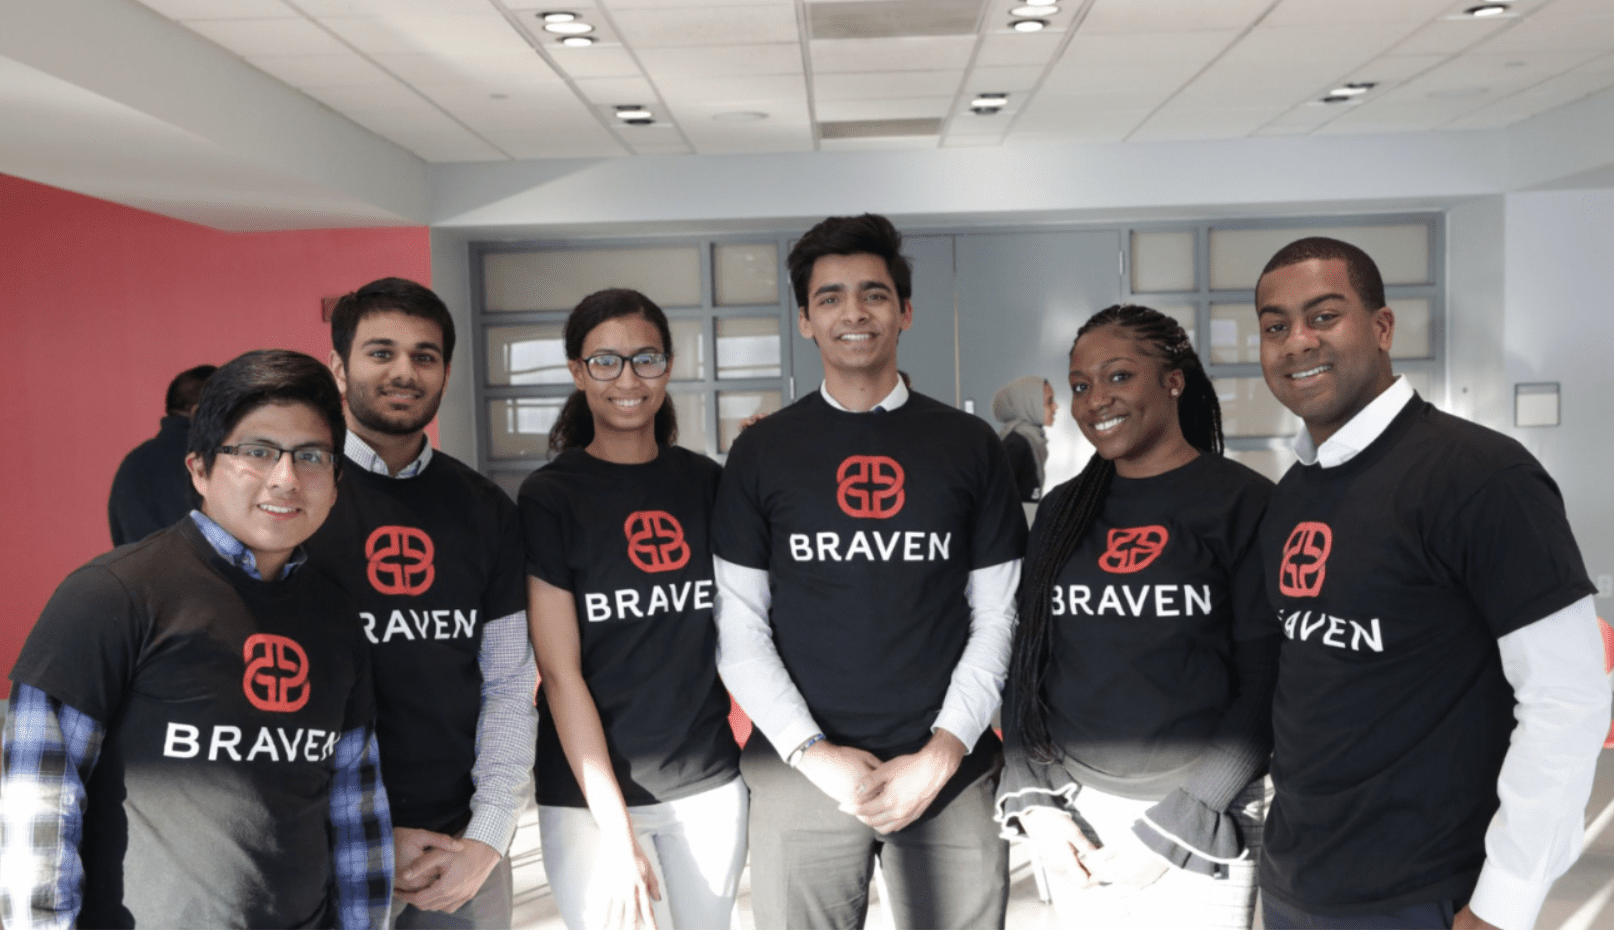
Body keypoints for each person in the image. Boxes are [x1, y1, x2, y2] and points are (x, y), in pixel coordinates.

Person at [1252, 237, 1611, 930]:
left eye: (1323, 316)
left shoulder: (1480, 477)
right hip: (1301, 881)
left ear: (1382, 328)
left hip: (1429, 893)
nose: (1297, 341)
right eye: (1275, 326)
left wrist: (1504, 903)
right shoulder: (1295, 491)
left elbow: (1568, 697)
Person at [0, 349, 392, 929]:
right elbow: (37, 803)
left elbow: (356, 807)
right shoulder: (112, 595)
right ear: (200, 469)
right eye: (256, 452)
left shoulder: (336, 618)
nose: (286, 477)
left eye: (311, 456)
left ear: (335, 483)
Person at [712, 213, 1027, 929]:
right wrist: (811, 752)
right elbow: (738, 624)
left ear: (905, 311)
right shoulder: (763, 454)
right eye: (830, 298)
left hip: (949, 764)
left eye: (874, 294)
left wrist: (944, 751)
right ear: (805, 321)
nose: (853, 312)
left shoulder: (970, 445)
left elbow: (1000, 615)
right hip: (801, 772)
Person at [996, 305, 1277, 929]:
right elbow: (1026, 664)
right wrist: (1037, 799)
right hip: (1075, 811)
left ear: (1173, 381)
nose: (1096, 400)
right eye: (1079, 385)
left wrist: (1184, 815)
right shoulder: (1067, 510)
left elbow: (1265, 683)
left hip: (1206, 808)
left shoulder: (1245, 502)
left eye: (1118, 376)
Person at [303, 277, 535, 929]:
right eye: (381, 352)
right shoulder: (291, 500)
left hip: (460, 853)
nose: (404, 371)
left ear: (445, 372)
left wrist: (489, 834)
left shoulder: (484, 508)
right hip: (324, 845)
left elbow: (511, 683)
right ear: (339, 368)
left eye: (424, 356)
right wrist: (359, 831)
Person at [519, 288, 745, 930]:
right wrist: (616, 832)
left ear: (668, 366)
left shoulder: (704, 484)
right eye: (605, 361)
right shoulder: (551, 496)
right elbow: (560, 675)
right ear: (576, 371)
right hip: (590, 796)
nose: (627, 379)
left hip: (706, 781)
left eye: (646, 359)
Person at [107, 363, 217, 545]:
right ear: (198, 411)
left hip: (138, 573)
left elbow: (120, 541)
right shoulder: (211, 462)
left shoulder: (132, 463)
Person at [991, 375, 1057, 503]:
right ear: (1029, 405)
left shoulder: (1031, 440)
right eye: (1049, 401)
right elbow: (998, 498)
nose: (1055, 407)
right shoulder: (1016, 445)